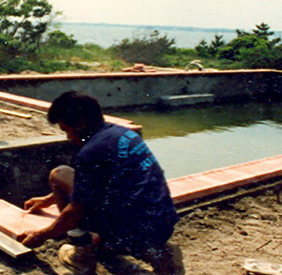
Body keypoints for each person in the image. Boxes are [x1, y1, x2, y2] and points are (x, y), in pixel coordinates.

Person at [17, 91, 183, 275]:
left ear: (80, 123)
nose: (68, 137)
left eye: (66, 131)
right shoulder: (123, 134)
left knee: (60, 177)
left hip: (135, 231)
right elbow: (88, 186)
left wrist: (42, 235)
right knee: (63, 174)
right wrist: (47, 200)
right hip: (163, 221)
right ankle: (158, 252)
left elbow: (73, 213)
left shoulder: (91, 152)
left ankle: (83, 254)